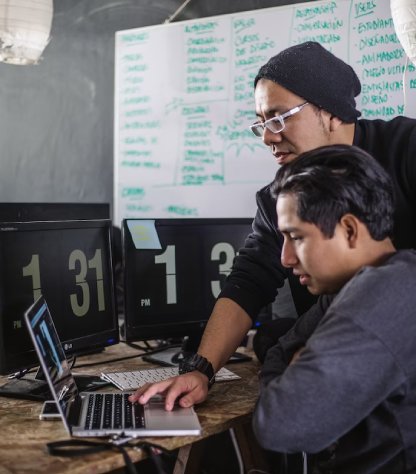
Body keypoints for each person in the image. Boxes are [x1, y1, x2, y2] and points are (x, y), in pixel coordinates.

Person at [129, 41, 416, 411]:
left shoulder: (407, 149)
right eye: (261, 123)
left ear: (330, 112)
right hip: (333, 377)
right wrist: (200, 369)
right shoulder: (278, 199)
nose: (267, 136)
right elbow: (250, 279)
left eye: (279, 118)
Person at [252, 144, 416, 473]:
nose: (285, 258)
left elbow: (278, 424)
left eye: (296, 237)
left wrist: (295, 377)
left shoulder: (382, 297)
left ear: (349, 230)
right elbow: (279, 351)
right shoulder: (353, 287)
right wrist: (295, 372)